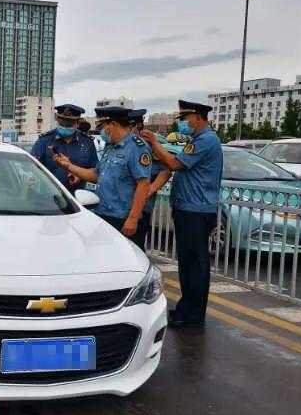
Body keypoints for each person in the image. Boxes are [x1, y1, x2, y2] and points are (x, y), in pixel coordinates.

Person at [140, 100, 223, 329]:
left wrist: (155, 143)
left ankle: (193, 315)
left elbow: (174, 164)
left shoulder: (206, 140)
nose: (184, 124)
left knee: (195, 264)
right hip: (188, 208)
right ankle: (186, 308)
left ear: (197, 117)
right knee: (187, 263)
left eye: (186, 119)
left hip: (196, 210)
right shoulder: (198, 140)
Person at [53, 106, 151, 250]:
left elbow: (143, 184)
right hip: (104, 214)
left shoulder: (137, 148)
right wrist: (68, 165)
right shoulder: (110, 146)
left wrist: (133, 218)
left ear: (113, 124)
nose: (101, 131)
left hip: (123, 218)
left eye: (102, 126)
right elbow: (96, 175)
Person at [31, 103, 98, 192]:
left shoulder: (87, 142)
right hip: (51, 196)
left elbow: (95, 172)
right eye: (62, 124)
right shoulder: (44, 140)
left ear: (77, 123)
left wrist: (80, 176)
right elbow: (33, 167)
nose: (65, 127)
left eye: (69, 125)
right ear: (57, 120)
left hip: (79, 197)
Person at [129, 109, 172, 246]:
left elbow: (166, 170)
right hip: (121, 206)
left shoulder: (147, 145)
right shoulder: (121, 144)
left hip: (141, 208)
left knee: (136, 248)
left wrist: (151, 189)